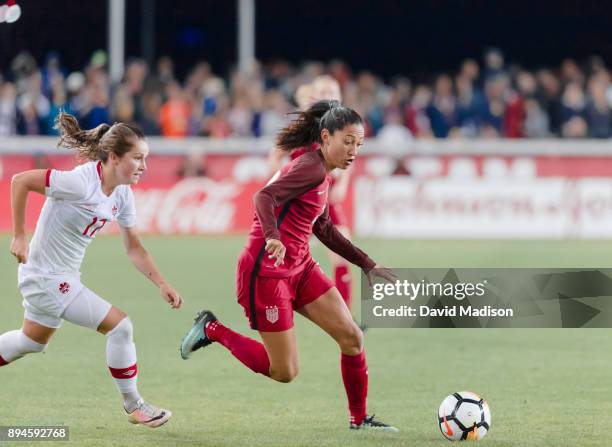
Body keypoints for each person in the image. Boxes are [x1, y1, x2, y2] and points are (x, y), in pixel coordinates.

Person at [180, 100, 399, 432]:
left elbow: (322, 228)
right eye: (348, 141)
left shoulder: (321, 170)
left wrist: (366, 264)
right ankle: (212, 329)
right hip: (266, 272)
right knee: (284, 371)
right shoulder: (310, 168)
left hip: (300, 267)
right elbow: (262, 198)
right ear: (326, 136)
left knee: (352, 337)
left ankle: (359, 421)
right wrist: (272, 236)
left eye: (359, 144)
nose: (354, 151)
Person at [2, 112, 182, 428]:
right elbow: (20, 181)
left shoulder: (122, 192)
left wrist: (162, 283)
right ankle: (135, 405)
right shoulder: (78, 183)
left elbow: (134, 248)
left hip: (59, 278)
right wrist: (19, 235)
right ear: (113, 157)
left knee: (32, 342)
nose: (144, 166)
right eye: (137, 158)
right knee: (120, 327)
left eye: (146, 158)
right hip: (46, 279)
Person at [267, 75, 357, 315]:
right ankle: (275, 308)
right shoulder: (303, 125)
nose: (329, 94)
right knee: (285, 259)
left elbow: (351, 157)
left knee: (342, 255)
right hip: (299, 203)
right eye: (324, 90)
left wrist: (343, 183)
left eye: (333, 89)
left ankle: (345, 318)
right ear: (314, 96)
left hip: (325, 199)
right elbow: (275, 156)